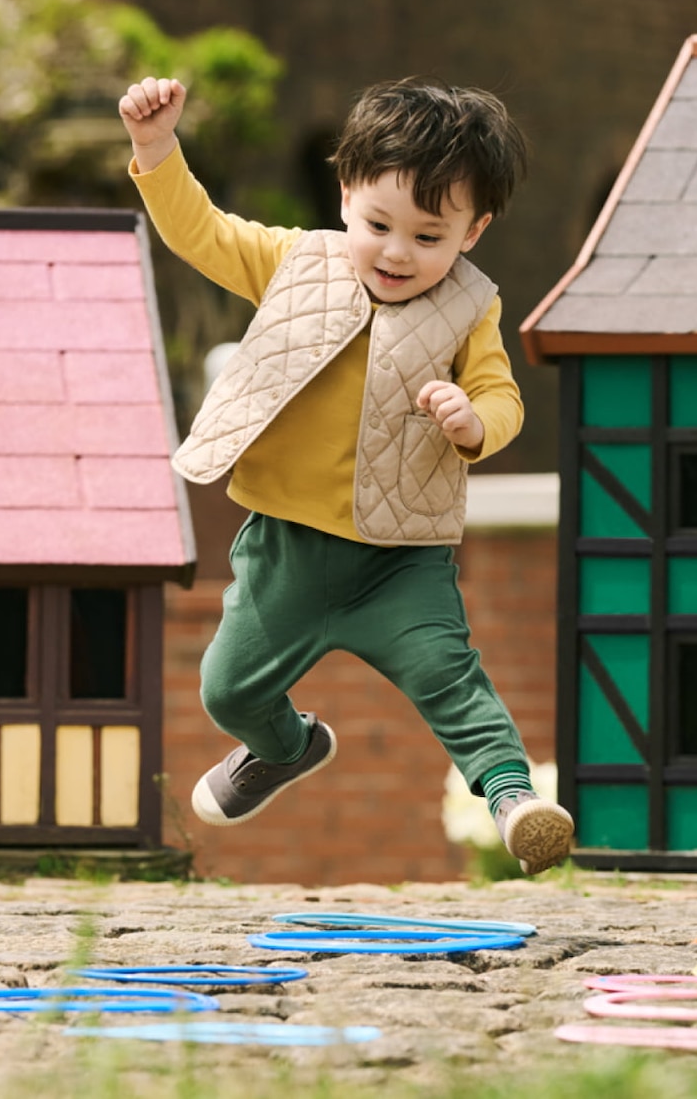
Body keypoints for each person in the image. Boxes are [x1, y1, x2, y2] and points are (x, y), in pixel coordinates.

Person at [117, 75, 574, 874]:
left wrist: (472, 420)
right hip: (286, 550)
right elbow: (202, 233)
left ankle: (514, 801)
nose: (397, 253)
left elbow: (503, 397)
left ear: (473, 231)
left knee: (448, 678)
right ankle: (287, 747)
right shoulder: (296, 262)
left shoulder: (471, 308)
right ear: (346, 196)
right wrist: (156, 148)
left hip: (399, 562)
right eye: (379, 225)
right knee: (227, 690)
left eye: (428, 237)